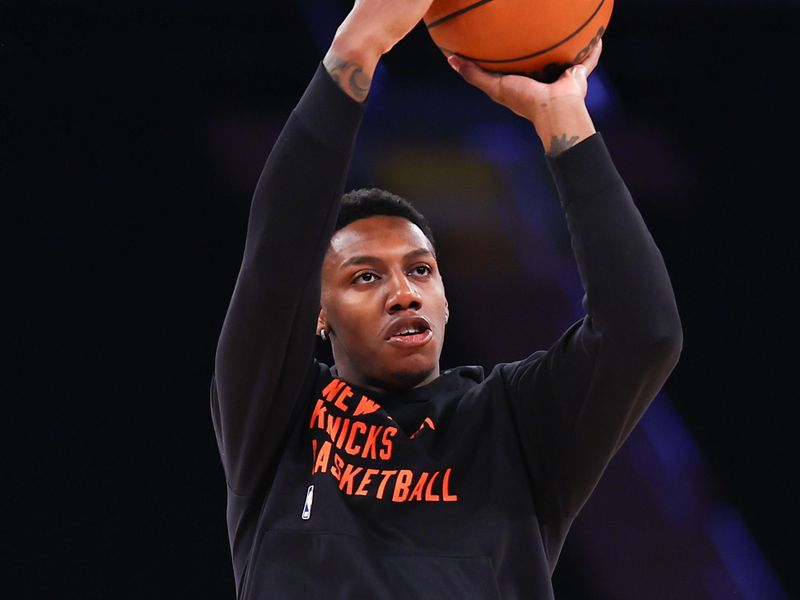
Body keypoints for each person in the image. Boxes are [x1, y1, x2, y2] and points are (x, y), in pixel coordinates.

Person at [211, 1, 682, 598]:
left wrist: (563, 119)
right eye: (365, 277)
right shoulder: (279, 419)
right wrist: (358, 47)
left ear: (445, 298)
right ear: (318, 314)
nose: (403, 293)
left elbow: (644, 332)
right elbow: (277, 254)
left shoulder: (511, 424)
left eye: (421, 270)